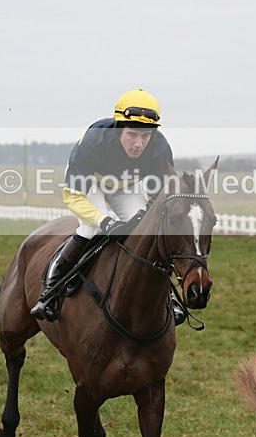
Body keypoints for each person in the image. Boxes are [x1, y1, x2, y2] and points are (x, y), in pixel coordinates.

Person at [29, 88, 185, 324]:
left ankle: (167, 298)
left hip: (125, 186)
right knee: (92, 229)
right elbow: (73, 196)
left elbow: (160, 198)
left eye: (145, 137)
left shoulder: (160, 149)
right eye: (132, 135)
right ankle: (51, 291)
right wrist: (105, 220)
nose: (139, 144)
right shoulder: (94, 141)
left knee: (146, 232)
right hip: (89, 183)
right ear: (118, 127)